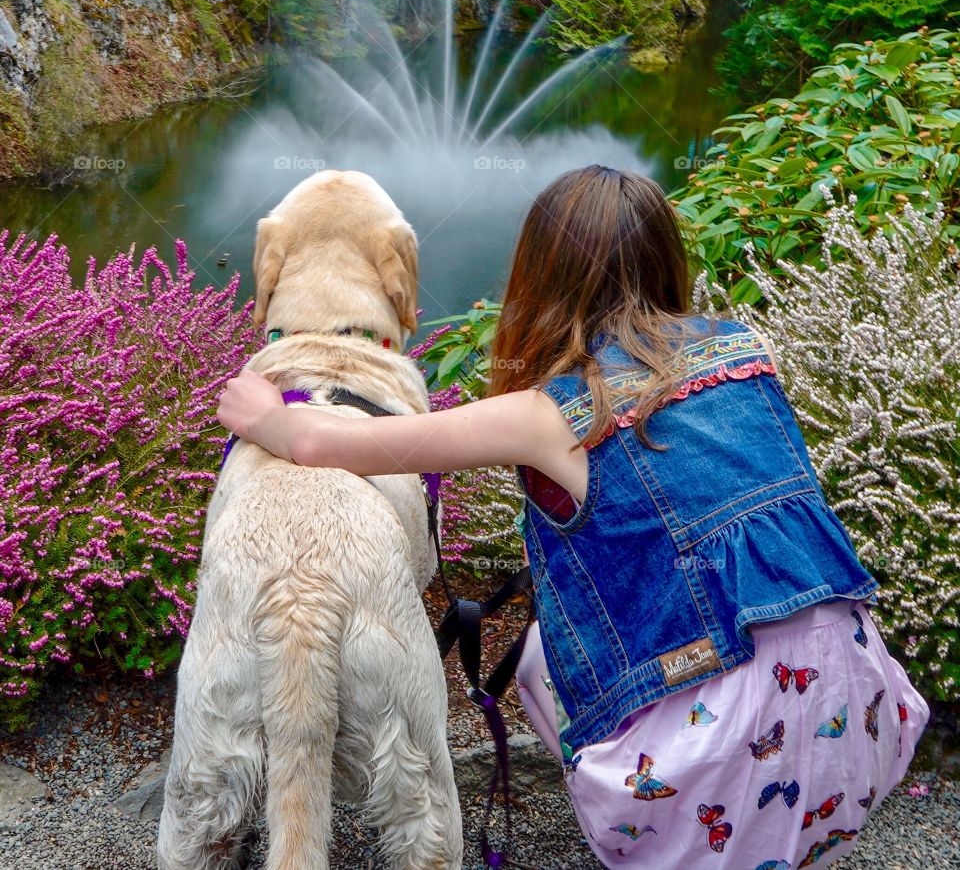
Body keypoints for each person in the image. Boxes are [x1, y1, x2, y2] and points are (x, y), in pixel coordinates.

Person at [217, 165, 929, 869]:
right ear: (665, 259)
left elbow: (335, 445)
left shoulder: (549, 415)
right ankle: (786, 833)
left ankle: (673, 839)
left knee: (534, 658)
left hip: (717, 781)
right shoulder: (750, 350)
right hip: (863, 729)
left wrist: (265, 415)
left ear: (540, 278)